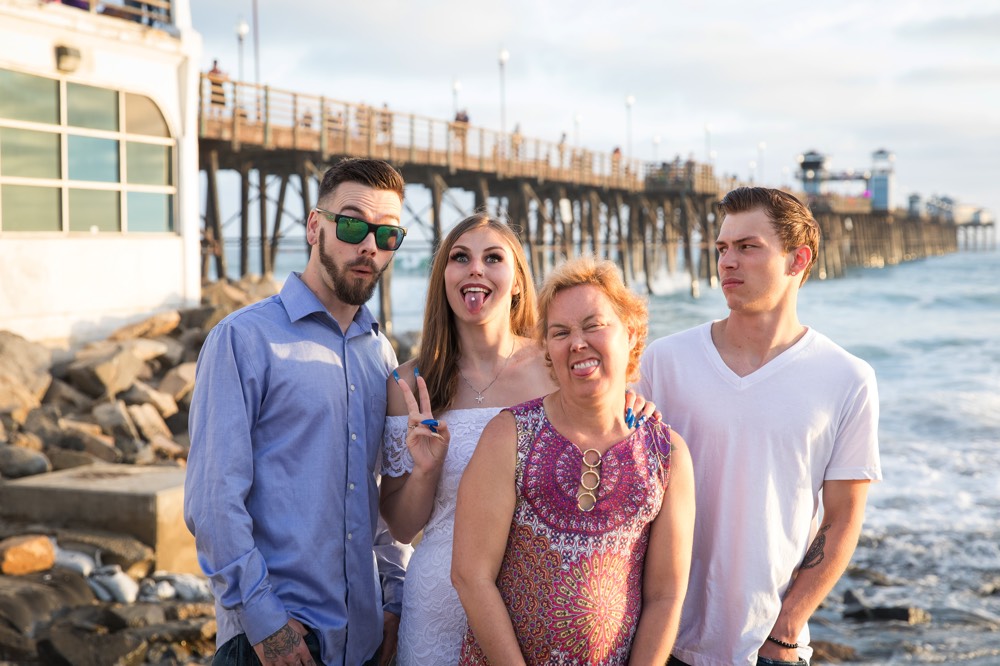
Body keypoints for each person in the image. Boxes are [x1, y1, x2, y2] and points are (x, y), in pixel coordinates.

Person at [380, 216, 659, 664]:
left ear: (516, 282)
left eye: (493, 258)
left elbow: (602, 425)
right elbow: (402, 527)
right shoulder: (410, 383)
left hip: (529, 612)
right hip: (436, 607)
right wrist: (425, 471)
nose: (476, 269)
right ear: (443, 278)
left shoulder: (555, 363)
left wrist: (630, 404)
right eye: (460, 258)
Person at [636, 187, 882, 666]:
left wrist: (788, 626)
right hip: (659, 640)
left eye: (748, 247)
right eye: (722, 248)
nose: (727, 262)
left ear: (797, 260)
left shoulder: (847, 379)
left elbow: (844, 516)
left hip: (767, 649)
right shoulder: (664, 362)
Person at [185, 158, 413, 666]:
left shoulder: (380, 354)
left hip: (365, 642)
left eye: (388, 234)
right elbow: (213, 502)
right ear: (315, 226)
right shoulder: (243, 339)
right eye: (352, 225)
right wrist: (268, 625)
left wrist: (396, 598)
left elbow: (375, 496)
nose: (368, 246)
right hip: (273, 644)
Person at [451, 256, 695, 665]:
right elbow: (471, 576)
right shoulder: (509, 435)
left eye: (594, 325)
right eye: (560, 332)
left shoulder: (666, 454)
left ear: (631, 333)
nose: (577, 342)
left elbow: (665, 596)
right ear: (547, 348)